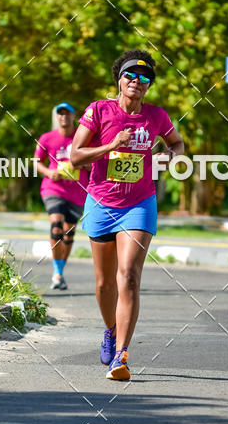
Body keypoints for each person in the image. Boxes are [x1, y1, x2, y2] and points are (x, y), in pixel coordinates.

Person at [70, 50, 184, 381]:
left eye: (144, 77)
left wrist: (169, 155)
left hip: (139, 203)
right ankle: (109, 329)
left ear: (149, 85)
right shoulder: (98, 110)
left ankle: (121, 354)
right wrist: (111, 146)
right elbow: (75, 157)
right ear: (119, 80)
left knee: (129, 276)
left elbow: (178, 144)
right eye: (130, 75)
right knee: (105, 283)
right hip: (101, 202)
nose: (137, 81)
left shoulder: (157, 116)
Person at [34, 102, 89, 290]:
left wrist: (81, 165)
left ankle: (60, 272)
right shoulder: (47, 138)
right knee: (56, 224)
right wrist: (49, 173)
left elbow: (96, 161)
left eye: (67, 113)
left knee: (68, 231)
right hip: (53, 188)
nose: (63, 117)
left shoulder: (83, 137)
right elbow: (37, 162)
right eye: (60, 114)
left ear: (74, 116)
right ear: (56, 117)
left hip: (77, 191)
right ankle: (57, 272)